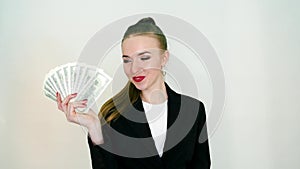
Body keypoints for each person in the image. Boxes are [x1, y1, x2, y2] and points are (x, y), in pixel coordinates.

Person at [56, 17, 211, 169]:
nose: (134, 69)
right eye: (127, 60)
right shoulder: (113, 115)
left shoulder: (193, 110)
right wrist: (94, 129)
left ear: (164, 58)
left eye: (144, 57)